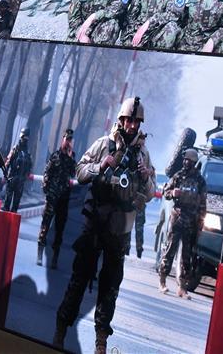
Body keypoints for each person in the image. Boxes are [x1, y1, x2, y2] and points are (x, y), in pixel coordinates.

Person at [54, 98, 155, 354]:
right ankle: (60, 331)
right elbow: (79, 172)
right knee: (79, 277)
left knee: (110, 285)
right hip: (95, 221)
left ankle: (101, 342)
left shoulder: (143, 154)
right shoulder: (103, 144)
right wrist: (101, 166)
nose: (131, 126)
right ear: (121, 120)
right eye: (128, 120)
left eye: (135, 121)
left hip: (120, 227)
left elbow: (149, 194)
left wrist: (145, 177)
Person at [158, 148, 207, 299]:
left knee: (187, 255)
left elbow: (203, 204)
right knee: (170, 250)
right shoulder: (178, 176)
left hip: (191, 221)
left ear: (193, 162)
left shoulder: (199, 181)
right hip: (177, 218)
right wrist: (172, 193)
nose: (186, 163)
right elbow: (165, 192)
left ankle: (182, 287)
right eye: (185, 160)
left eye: (188, 161)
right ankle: (162, 281)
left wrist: (200, 224)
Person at [38, 128, 76, 269]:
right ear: (62, 140)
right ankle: (40, 254)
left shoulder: (72, 158)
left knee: (59, 229)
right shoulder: (55, 156)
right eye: (66, 139)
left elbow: (73, 173)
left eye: (70, 141)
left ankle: (54, 258)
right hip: (52, 197)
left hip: (63, 199)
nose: (68, 143)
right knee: (45, 226)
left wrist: (71, 157)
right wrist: (46, 189)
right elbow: (47, 172)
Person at [2, 128, 32, 213]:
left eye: (26, 138)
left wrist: (26, 175)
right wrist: (5, 176)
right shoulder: (15, 149)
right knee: (6, 205)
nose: (24, 140)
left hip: (20, 181)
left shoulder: (27, 153)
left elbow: (29, 166)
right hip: (12, 178)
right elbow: (8, 162)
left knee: (15, 207)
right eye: (23, 137)